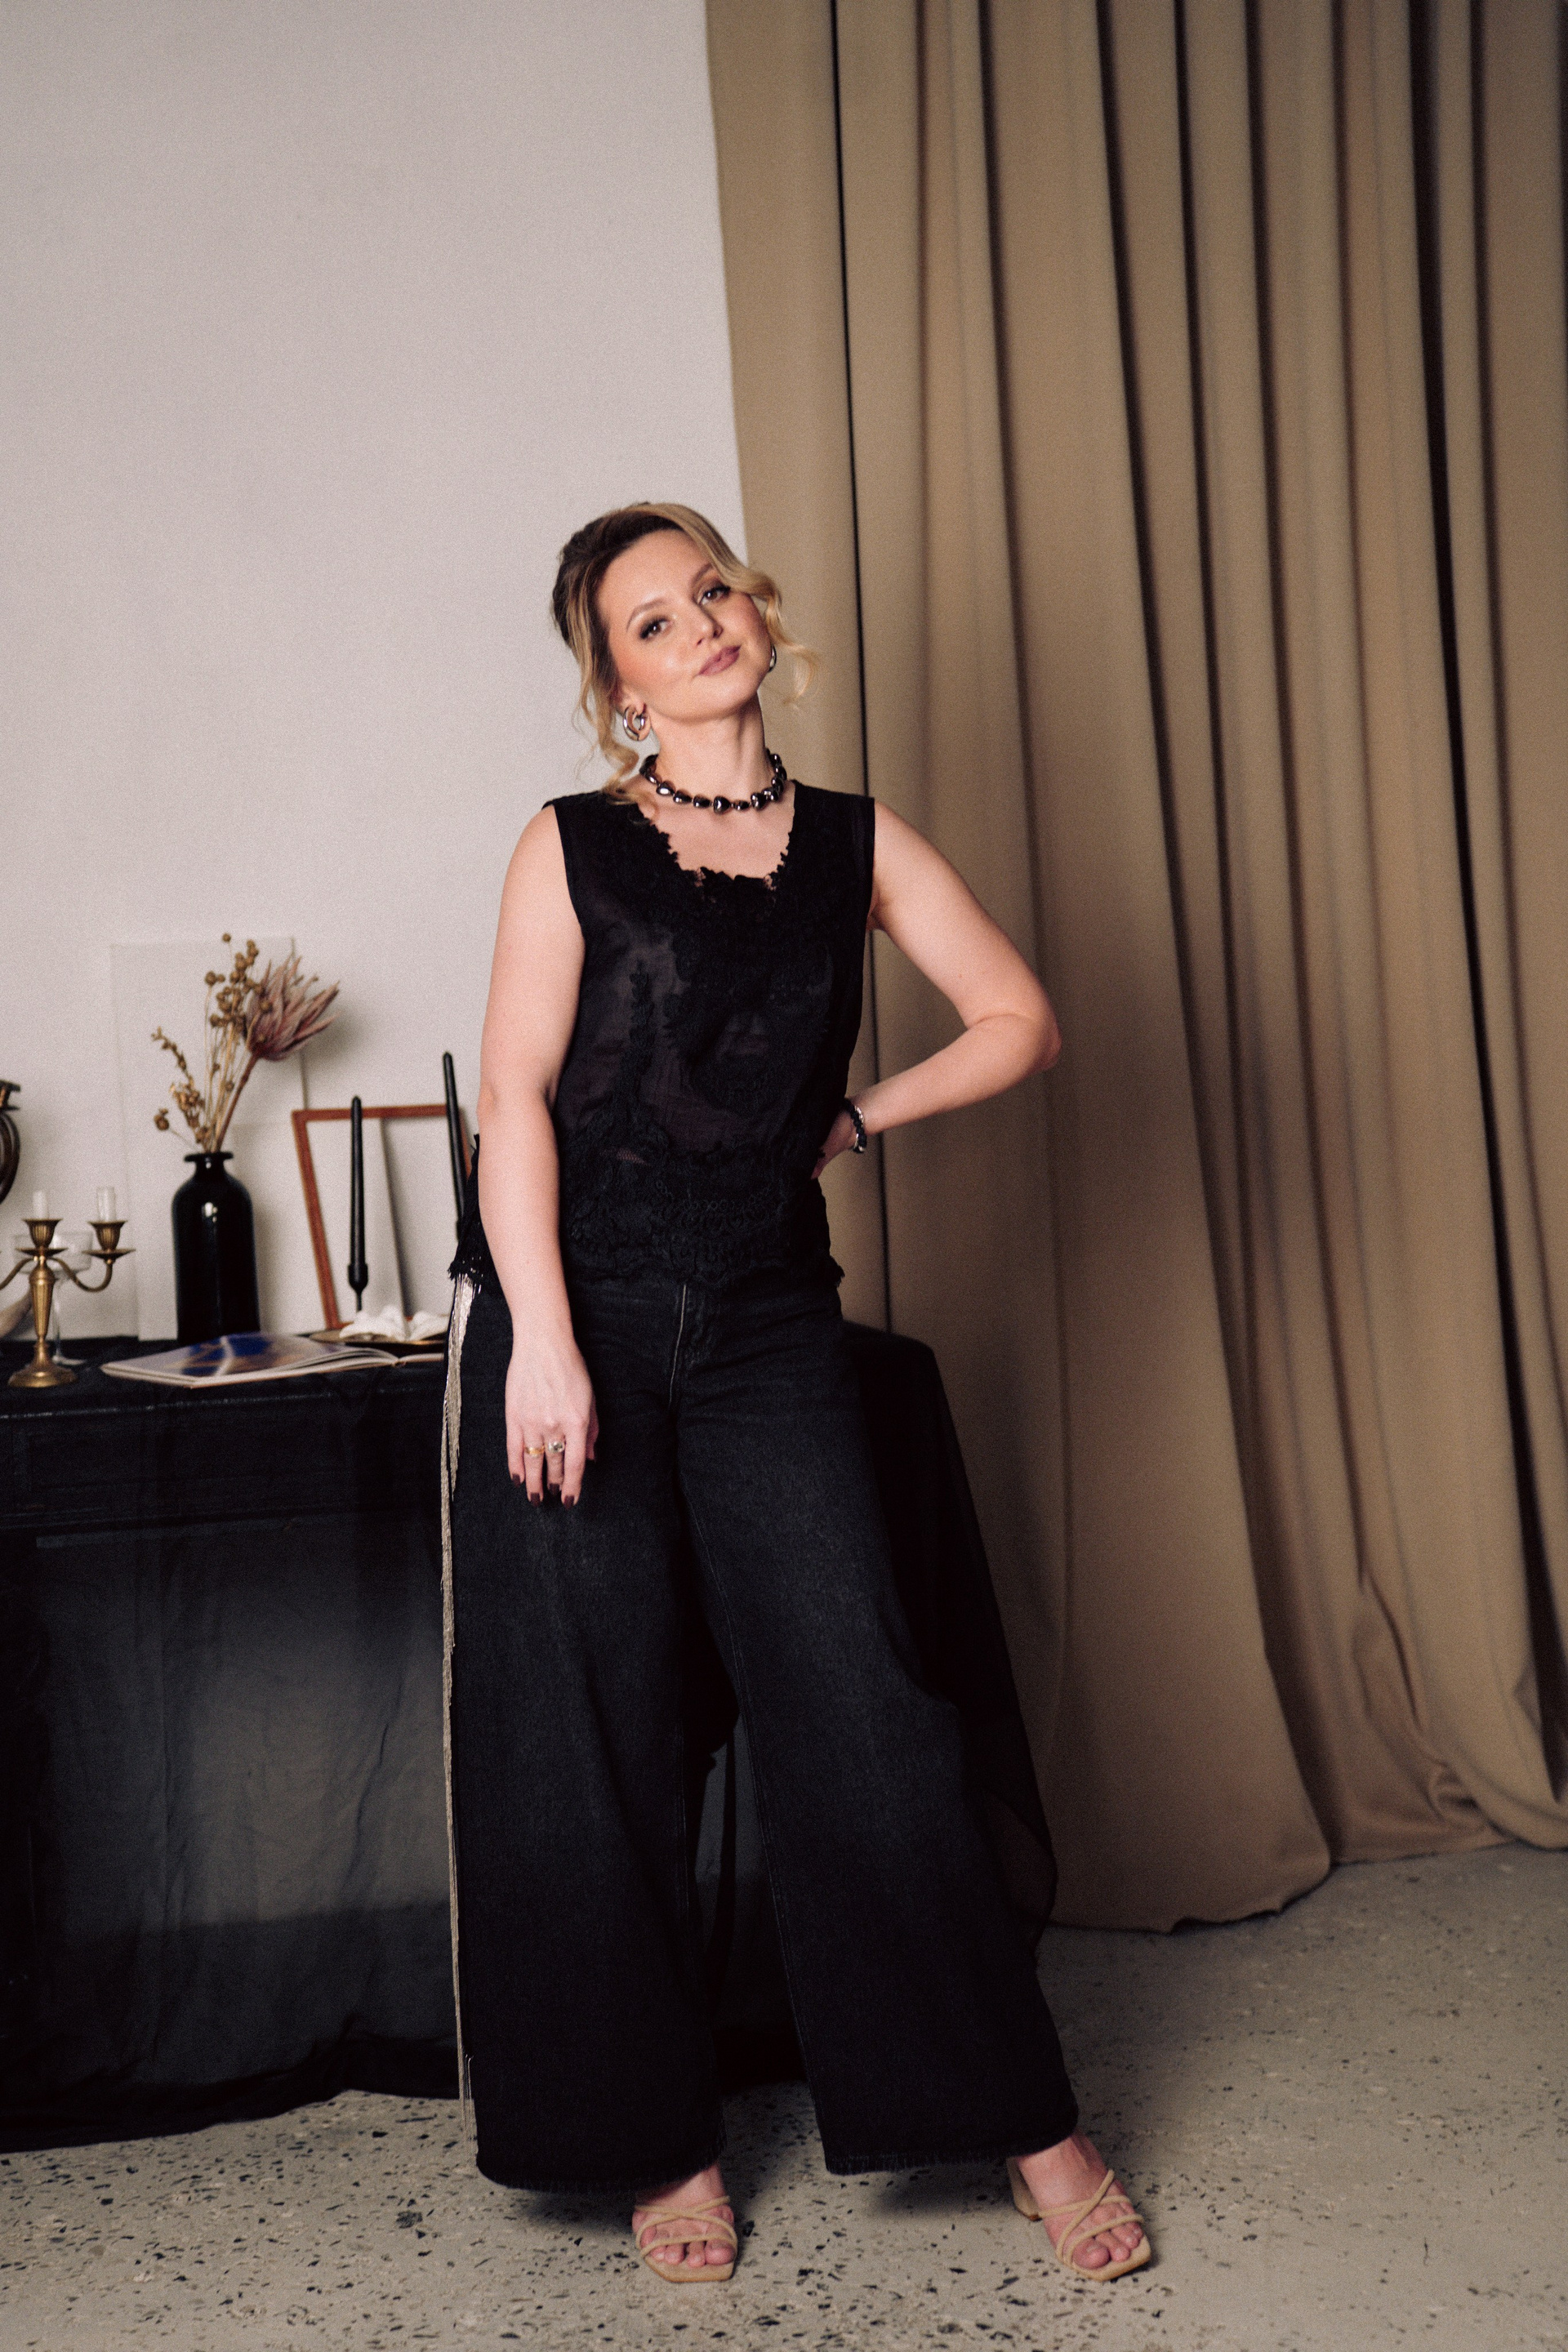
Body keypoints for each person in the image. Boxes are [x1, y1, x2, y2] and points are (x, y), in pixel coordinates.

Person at [443, 501, 1152, 2289]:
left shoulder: (856, 842)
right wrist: (542, 1339)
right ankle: (656, 2138)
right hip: (574, 1313)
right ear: (619, 685)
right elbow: (514, 1097)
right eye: (652, 622)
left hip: (767, 1324)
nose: (700, 627)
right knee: (591, 1732)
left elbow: (1019, 1019)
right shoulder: (569, 848)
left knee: (867, 1703)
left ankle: (1022, 2119)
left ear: (754, 612)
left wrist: (856, 1118)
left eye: (711, 592)